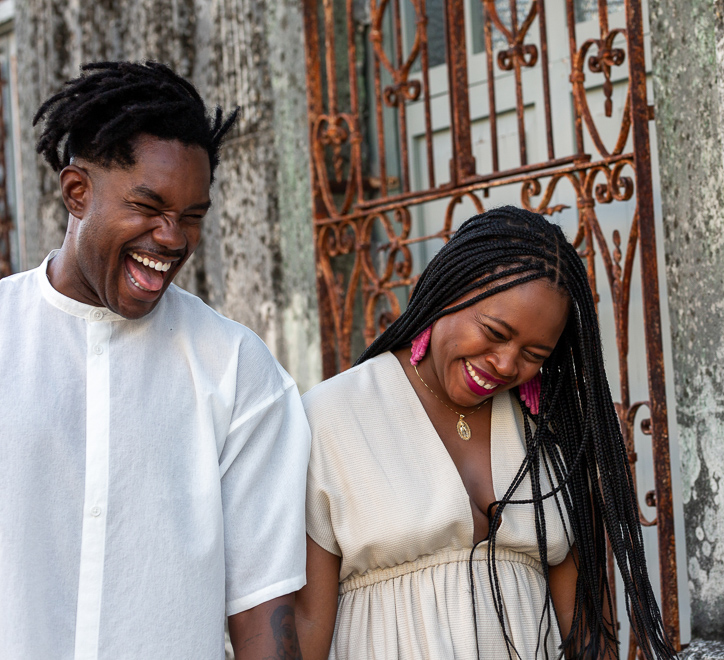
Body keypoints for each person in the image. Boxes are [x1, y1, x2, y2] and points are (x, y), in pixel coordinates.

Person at [0, 61, 310, 659]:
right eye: (148, 206)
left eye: (191, 216)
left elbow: (262, 610)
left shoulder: (238, 369)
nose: (172, 238)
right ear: (77, 192)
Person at [297, 206, 676, 659]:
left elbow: (588, 632)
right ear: (448, 292)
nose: (505, 364)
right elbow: (305, 628)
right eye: (495, 332)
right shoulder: (333, 416)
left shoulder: (551, 434)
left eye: (534, 353)